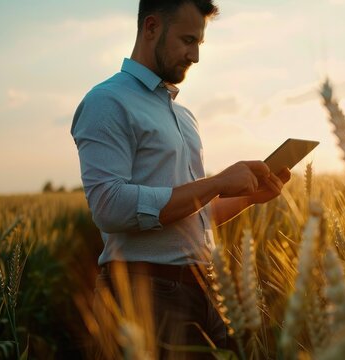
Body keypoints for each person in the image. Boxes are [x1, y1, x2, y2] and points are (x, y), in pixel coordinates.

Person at [71, 0, 290, 358]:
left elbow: (193, 216)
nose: (196, 55)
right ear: (152, 27)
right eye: (188, 40)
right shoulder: (107, 101)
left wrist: (250, 195)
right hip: (143, 295)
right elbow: (109, 207)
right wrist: (217, 183)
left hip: (207, 291)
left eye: (200, 43)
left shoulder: (184, 116)